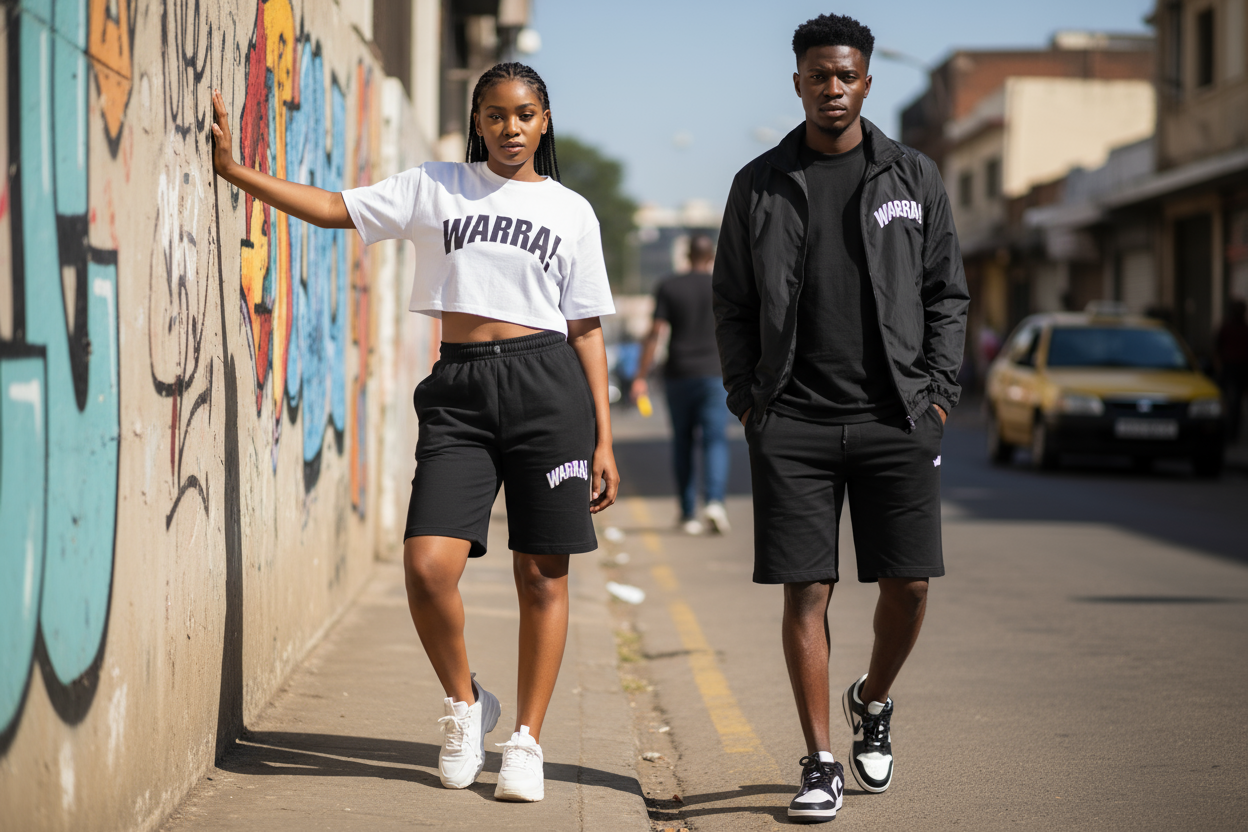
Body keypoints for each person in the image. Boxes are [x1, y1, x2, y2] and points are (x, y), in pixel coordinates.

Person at [210, 61, 619, 803]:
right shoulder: (435, 185)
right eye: (495, 115)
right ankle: (467, 705)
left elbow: (586, 329)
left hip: (548, 388)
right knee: (429, 566)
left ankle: (526, 739)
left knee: (543, 573)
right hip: (460, 389)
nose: (510, 128)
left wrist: (604, 438)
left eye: (524, 114)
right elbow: (335, 208)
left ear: (545, 121)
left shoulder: (573, 211)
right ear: (477, 120)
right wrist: (237, 171)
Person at [713, 14, 968, 824]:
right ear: (798, 81)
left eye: (846, 75)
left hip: (897, 417)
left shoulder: (912, 175)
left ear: (867, 81)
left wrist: (935, 398)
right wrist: (748, 400)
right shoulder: (759, 182)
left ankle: (875, 697)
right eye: (818, 75)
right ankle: (819, 761)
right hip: (793, 421)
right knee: (805, 593)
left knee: (912, 586)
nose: (833, 88)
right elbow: (733, 302)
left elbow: (946, 296)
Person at [631, 234, 732, 535]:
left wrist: (640, 375)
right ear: (711, 256)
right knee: (715, 440)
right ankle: (714, 502)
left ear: (687, 255)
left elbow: (656, 332)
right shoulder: (722, 286)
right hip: (715, 374)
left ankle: (688, 513)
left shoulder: (669, 285)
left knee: (683, 443)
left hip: (679, 375)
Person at [1215, 299, 1248, 441]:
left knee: (1233, 403)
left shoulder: (1235, 328)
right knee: (1228, 402)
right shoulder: (1229, 328)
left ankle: (1230, 433)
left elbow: (1217, 347)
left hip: (1237, 368)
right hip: (1232, 367)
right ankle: (1227, 431)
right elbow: (1217, 347)